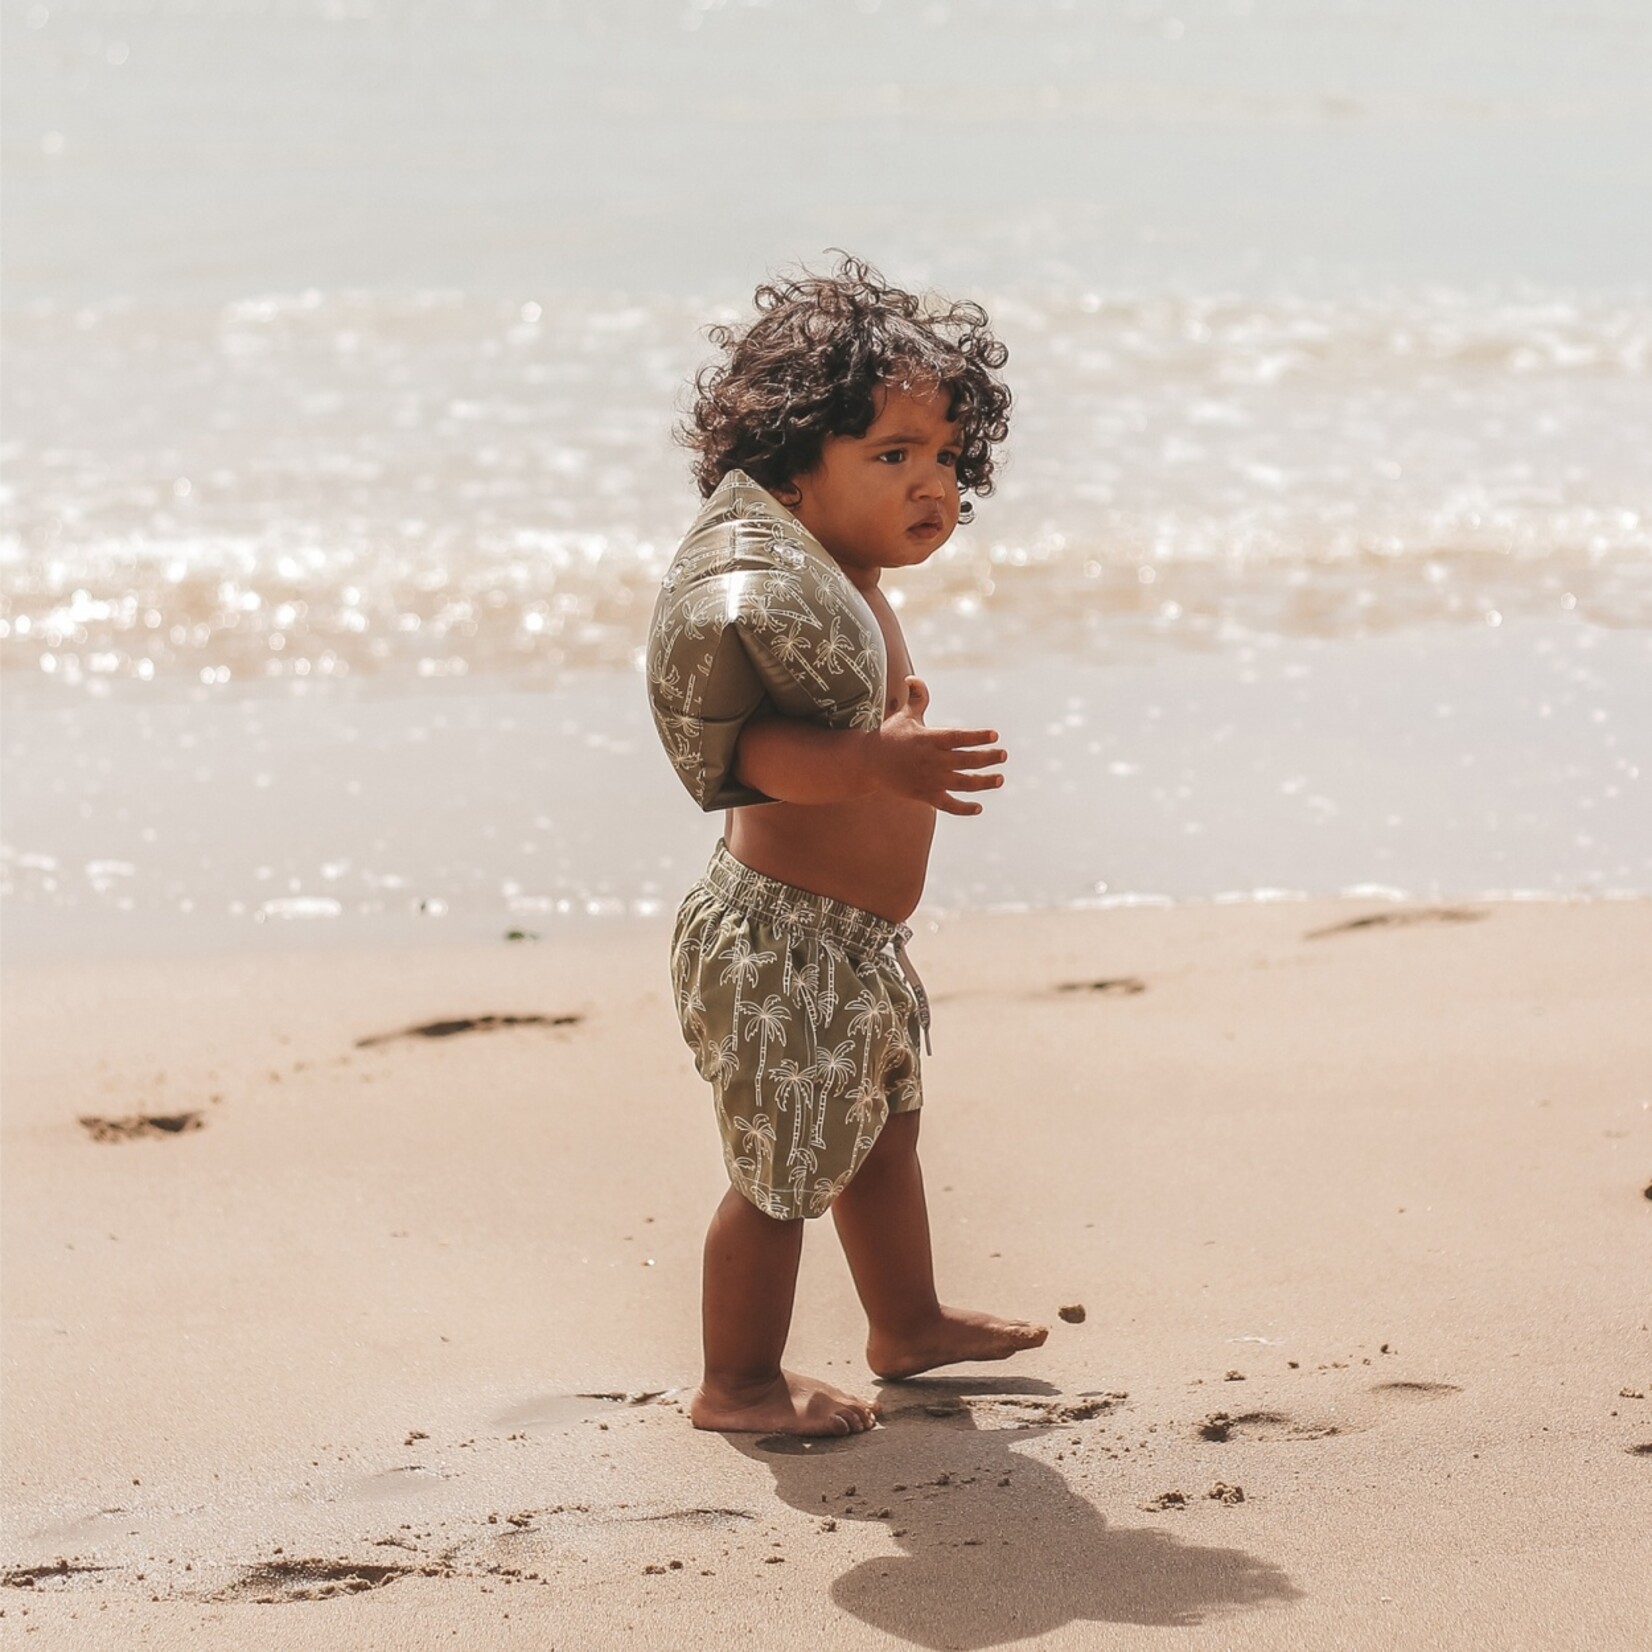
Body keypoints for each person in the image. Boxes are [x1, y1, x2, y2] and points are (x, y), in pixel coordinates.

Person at [663, 256, 1047, 1437]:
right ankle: (734, 1382)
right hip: (779, 941)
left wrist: (892, 733)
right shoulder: (786, 589)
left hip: (856, 941)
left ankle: (907, 1322)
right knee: (779, 1172)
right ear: (788, 469)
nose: (929, 483)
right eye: (891, 457)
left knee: (884, 1132)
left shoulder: (852, 584)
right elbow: (760, 755)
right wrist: (878, 767)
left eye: (944, 459)